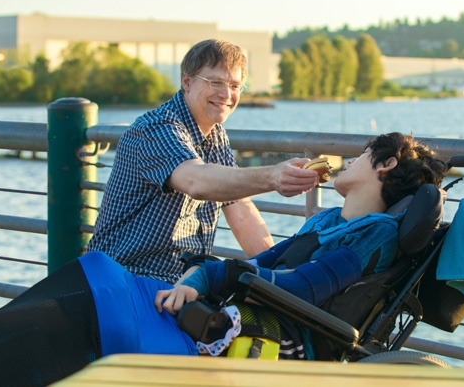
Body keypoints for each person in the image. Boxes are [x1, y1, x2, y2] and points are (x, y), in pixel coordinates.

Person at [0, 133, 447, 386]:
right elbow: (267, 260)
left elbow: (303, 287)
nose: (351, 158)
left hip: (275, 332)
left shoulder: (373, 236)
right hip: (252, 306)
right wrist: (200, 279)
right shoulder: (325, 222)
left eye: (365, 154)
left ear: (384, 166)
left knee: (79, 317)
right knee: (96, 276)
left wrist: (229, 278)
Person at [87, 39, 320, 284]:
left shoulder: (215, 133)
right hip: (125, 280)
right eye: (216, 82)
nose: (227, 94)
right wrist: (272, 176)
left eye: (235, 85)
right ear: (187, 82)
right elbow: (196, 181)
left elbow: (240, 209)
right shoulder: (156, 128)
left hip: (178, 285)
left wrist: (282, 275)